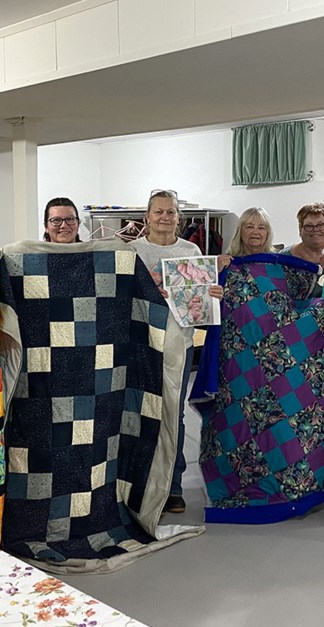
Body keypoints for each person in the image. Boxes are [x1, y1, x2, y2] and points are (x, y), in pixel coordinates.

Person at [130, 189, 223, 514]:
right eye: (159, 212)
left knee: (175, 415)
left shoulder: (191, 250)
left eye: (170, 212)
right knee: (142, 414)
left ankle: (173, 487)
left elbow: (199, 298)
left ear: (178, 219)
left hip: (179, 344)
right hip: (143, 344)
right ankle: (140, 485)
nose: (165, 218)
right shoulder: (134, 252)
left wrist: (211, 293)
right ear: (147, 217)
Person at [281, 203, 324, 296]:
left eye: (320, 225)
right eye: (309, 226)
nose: (315, 229)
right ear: (300, 230)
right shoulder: (284, 258)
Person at [218, 207, 274, 271]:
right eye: (250, 227)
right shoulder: (227, 263)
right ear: (240, 232)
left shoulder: (278, 264)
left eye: (261, 228)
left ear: (267, 233)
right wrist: (217, 271)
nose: (255, 232)